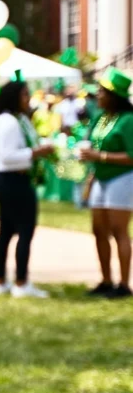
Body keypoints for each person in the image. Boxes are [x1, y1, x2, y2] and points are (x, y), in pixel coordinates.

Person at [0, 80, 55, 298]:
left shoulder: (10, 120)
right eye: (25, 95)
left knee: (6, 231)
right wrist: (36, 153)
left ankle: (1, 280)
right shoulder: (9, 122)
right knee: (25, 230)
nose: (28, 100)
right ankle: (21, 281)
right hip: (12, 179)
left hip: (5, 180)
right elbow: (8, 156)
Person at [80, 67, 133, 298]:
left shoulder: (128, 119)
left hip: (121, 178)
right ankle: (106, 280)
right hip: (100, 178)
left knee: (118, 230)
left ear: (114, 95)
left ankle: (123, 284)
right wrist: (91, 176)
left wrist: (99, 157)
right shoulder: (101, 118)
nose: (98, 95)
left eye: (102, 91)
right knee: (98, 229)